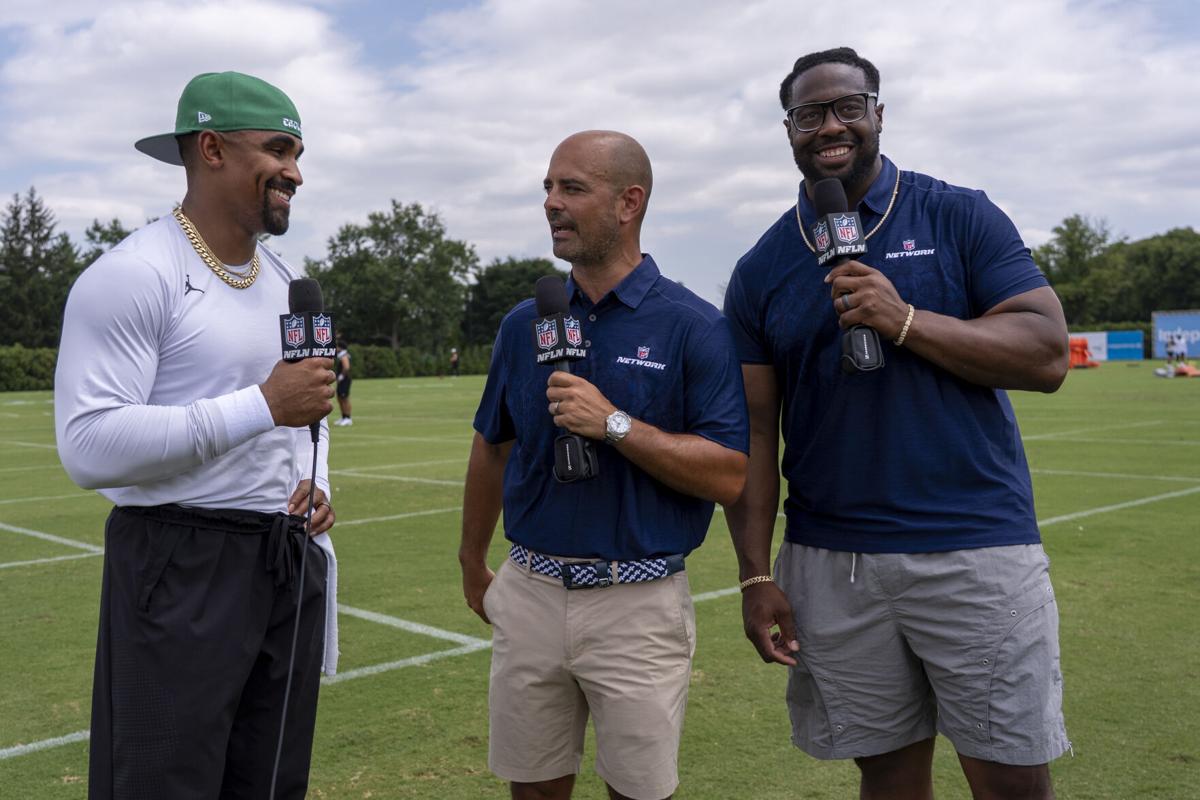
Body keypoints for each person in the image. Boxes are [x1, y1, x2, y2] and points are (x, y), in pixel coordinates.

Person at [723, 48, 1071, 800]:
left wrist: (905, 319)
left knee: (1012, 778)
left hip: (973, 546)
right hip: (833, 562)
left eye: (848, 107)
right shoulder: (760, 268)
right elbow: (753, 432)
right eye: (809, 114)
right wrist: (754, 574)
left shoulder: (958, 213)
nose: (830, 126)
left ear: (879, 113)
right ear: (789, 130)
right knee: (886, 777)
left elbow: (1046, 353)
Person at [54, 71, 339, 800]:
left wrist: (315, 482)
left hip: (284, 558)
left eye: (298, 154)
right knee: (165, 783)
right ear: (211, 149)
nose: (295, 173)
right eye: (277, 150)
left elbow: (306, 408)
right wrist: (262, 405)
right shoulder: (133, 273)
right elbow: (88, 443)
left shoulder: (287, 281)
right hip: (179, 563)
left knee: (271, 783)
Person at [459, 130, 749, 800]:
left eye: (572, 188)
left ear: (628, 203)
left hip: (638, 604)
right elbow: (492, 445)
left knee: (637, 792)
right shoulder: (522, 324)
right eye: (547, 187)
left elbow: (729, 474)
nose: (551, 203)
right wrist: (471, 558)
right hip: (530, 590)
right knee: (532, 789)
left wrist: (614, 424)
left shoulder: (693, 325)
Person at [335, 337, 353, 425]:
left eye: (337, 346)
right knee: (339, 398)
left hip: (345, 379)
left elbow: (346, 367)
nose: (336, 348)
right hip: (342, 380)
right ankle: (343, 417)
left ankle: (348, 418)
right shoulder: (341, 355)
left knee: (344, 398)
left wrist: (341, 376)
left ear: (340, 347)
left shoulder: (344, 356)